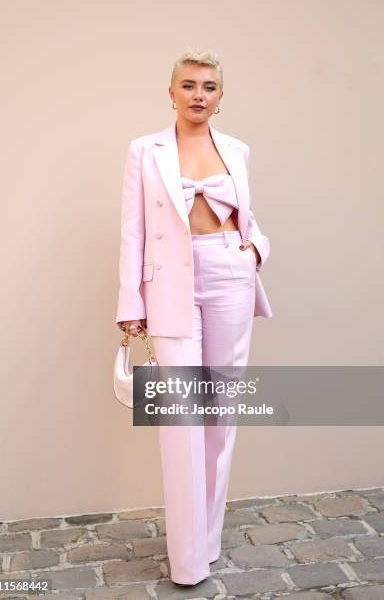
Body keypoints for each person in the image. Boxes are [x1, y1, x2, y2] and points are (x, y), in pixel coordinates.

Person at [115, 49, 272, 586]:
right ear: (172, 92)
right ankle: (185, 560)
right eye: (188, 85)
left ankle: (207, 543)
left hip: (230, 274)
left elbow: (250, 220)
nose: (198, 94)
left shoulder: (237, 150)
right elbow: (133, 231)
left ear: (221, 98)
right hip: (171, 287)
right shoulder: (145, 151)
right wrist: (129, 304)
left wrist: (254, 253)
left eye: (208, 86)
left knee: (219, 417)